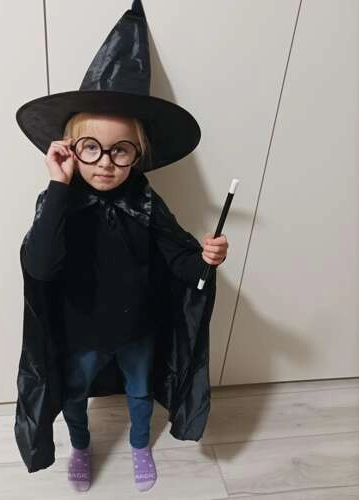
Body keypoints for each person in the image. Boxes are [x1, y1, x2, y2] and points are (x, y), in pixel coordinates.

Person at [21, 111, 228, 492]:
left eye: (120, 150)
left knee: (140, 392)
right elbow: (40, 266)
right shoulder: (58, 202)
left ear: (137, 153)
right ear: (70, 149)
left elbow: (180, 261)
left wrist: (206, 258)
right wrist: (58, 185)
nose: (105, 162)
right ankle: (80, 446)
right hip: (81, 332)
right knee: (74, 394)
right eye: (91, 148)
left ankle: (139, 444)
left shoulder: (145, 202)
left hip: (137, 330)